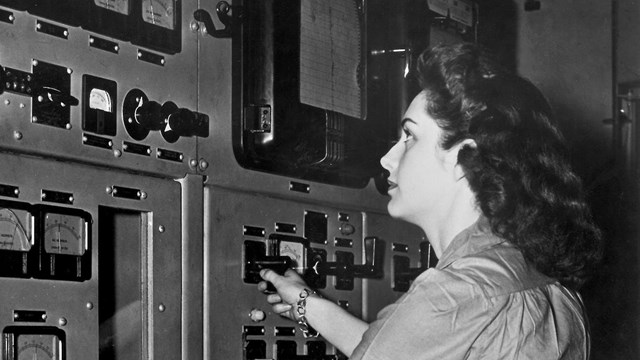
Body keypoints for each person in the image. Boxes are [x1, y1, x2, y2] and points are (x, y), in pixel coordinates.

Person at [258, 42, 602, 359]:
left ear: (462, 157)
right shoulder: (552, 290)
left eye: (409, 136)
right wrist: (306, 302)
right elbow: (402, 346)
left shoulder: (453, 293)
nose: (388, 159)